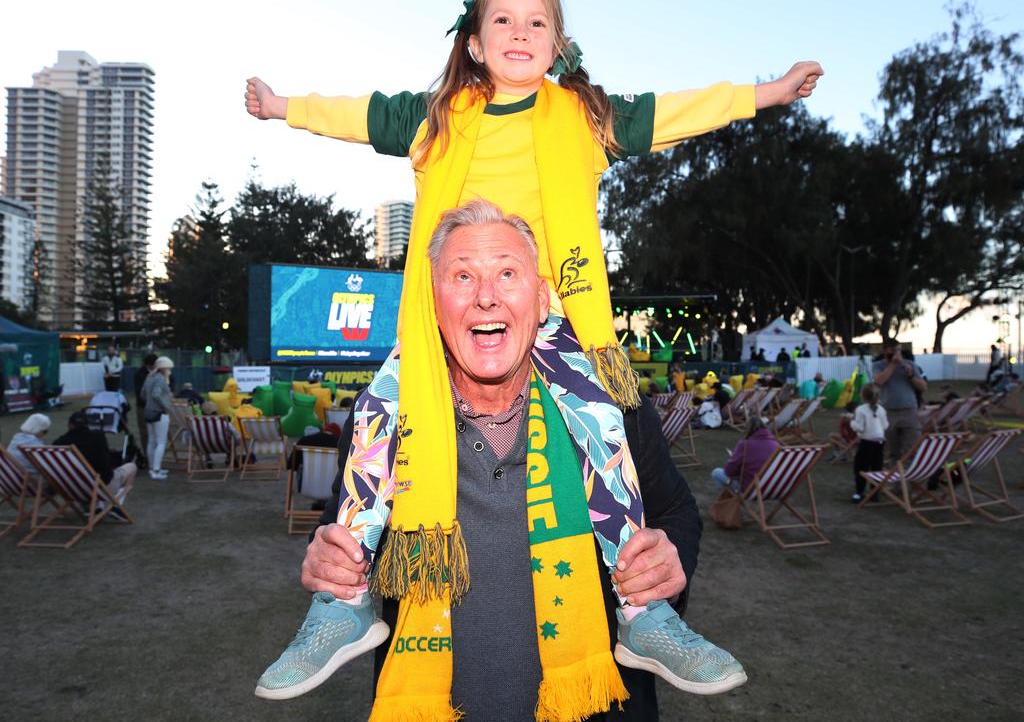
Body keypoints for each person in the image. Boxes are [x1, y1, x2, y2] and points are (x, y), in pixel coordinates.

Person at [247, 0, 814, 704]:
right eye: (503, 21)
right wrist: (282, 105)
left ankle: (643, 612)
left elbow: (674, 112)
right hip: (438, 320)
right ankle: (343, 602)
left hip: (550, 311)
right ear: (475, 44)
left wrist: (769, 92)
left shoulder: (584, 118)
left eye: (537, 21)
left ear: (558, 45)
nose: (520, 32)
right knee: (380, 416)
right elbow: (362, 114)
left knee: (603, 422)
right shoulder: (439, 118)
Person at [257, 206, 743, 718]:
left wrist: (671, 562)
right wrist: (333, 564)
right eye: (462, 275)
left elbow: (676, 511)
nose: (485, 295)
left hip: (597, 705)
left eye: (507, 274)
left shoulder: (612, 409)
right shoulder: (377, 422)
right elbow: (352, 538)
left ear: (539, 301)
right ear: (434, 304)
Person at [54, 411, 137, 504]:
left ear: (70, 425)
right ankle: (115, 505)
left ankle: (99, 506)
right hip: (98, 487)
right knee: (132, 467)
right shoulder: (97, 437)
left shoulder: (59, 443)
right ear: (87, 424)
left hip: (72, 489)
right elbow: (106, 466)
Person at [872, 338, 926, 463]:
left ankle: (913, 478)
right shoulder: (878, 365)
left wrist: (911, 376)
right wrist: (893, 365)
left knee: (913, 448)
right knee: (892, 451)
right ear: (885, 350)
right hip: (889, 412)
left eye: (899, 351)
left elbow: (923, 387)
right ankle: (897, 479)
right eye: (894, 350)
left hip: (909, 411)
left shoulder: (910, 364)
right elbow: (879, 381)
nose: (897, 354)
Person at [711, 415, 778, 494]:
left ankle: (725, 501)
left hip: (751, 489)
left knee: (716, 472)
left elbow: (729, 472)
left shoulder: (745, 445)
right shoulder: (776, 444)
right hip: (773, 488)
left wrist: (733, 458)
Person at [849, 384, 888, 503]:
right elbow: (886, 425)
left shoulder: (860, 409)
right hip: (880, 442)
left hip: (867, 442)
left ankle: (859, 493)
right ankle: (875, 493)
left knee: (860, 467)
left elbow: (859, 428)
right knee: (877, 467)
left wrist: (851, 422)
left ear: (863, 396)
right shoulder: (881, 409)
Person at [141, 356, 175, 480]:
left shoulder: (149, 377)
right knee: (161, 442)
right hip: (159, 413)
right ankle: (156, 469)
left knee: (152, 440)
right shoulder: (161, 379)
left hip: (148, 411)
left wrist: (149, 403)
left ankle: (152, 468)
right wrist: (166, 406)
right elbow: (156, 394)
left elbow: (143, 394)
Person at [133, 354, 157, 468]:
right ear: (149, 364)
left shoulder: (157, 372)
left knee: (155, 433)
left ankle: (154, 456)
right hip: (143, 406)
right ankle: (148, 457)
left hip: (154, 406)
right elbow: (140, 393)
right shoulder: (140, 374)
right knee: (145, 433)